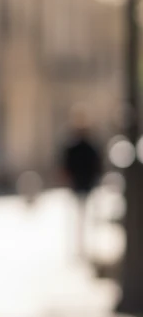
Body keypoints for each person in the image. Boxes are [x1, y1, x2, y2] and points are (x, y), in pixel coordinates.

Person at [57, 102, 103, 260]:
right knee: (78, 216)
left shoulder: (87, 145)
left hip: (84, 184)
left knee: (83, 216)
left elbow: (96, 165)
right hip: (80, 185)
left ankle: (82, 246)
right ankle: (79, 246)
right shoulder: (75, 146)